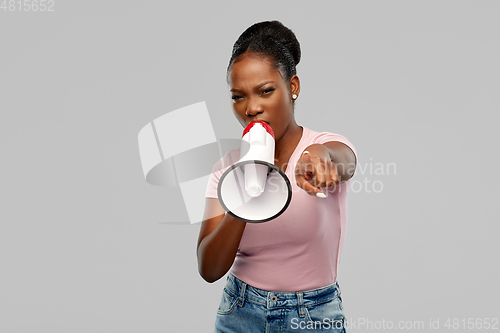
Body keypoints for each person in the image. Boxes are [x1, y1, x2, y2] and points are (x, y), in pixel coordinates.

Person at [197, 20, 357, 332]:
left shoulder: (323, 146)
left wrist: (323, 157)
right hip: (239, 310)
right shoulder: (226, 169)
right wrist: (243, 202)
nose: (251, 108)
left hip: (311, 315)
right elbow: (209, 267)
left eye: (265, 91)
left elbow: (344, 160)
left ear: (293, 87)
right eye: (238, 96)